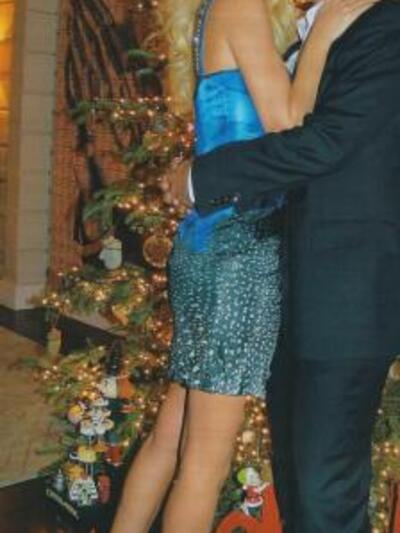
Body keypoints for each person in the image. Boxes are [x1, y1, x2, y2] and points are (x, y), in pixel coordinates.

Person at [111, 0, 377, 532]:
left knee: (170, 437)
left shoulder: (219, 7)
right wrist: (324, 34)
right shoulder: (240, 6)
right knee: (203, 466)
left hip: (208, 244)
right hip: (238, 252)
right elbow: (288, 124)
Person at [185, 1, 400, 531]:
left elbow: (324, 143)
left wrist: (200, 178)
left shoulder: (389, 21)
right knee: (298, 481)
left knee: (324, 490)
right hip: (293, 284)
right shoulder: (321, 23)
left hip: (349, 298)